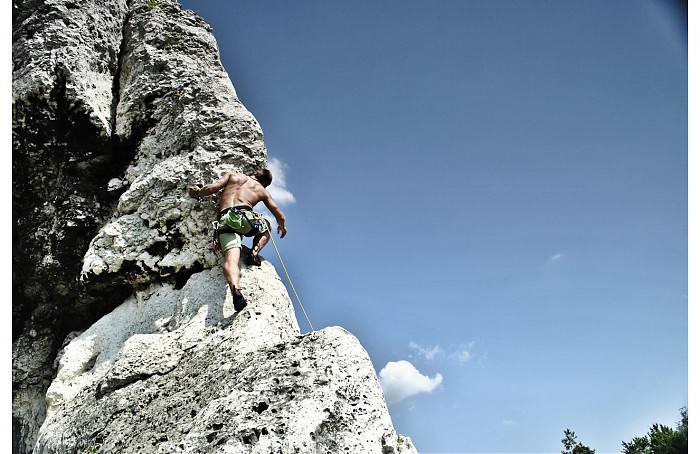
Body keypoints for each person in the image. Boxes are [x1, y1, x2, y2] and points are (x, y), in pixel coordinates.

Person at [189, 168, 287, 311]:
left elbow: (211, 189)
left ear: (255, 173)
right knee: (266, 226)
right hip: (245, 218)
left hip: (225, 220)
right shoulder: (262, 190)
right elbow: (280, 216)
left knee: (231, 260)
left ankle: (235, 288)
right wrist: (282, 226)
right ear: (264, 182)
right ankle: (253, 254)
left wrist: (197, 192)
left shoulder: (233, 176)